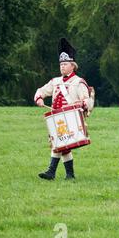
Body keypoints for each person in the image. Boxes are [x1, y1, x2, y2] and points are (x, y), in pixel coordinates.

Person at [34, 38, 93, 180]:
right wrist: (40, 98)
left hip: (71, 118)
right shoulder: (55, 81)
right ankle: (69, 175)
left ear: (73, 66)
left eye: (65, 64)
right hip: (57, 118)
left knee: (59, 143)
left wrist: (82, 105)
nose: (62, 67)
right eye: (61, 64)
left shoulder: (79, 82)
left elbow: (88, 100)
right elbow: (41, 91)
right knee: (63, 146)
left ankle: (51, 171)